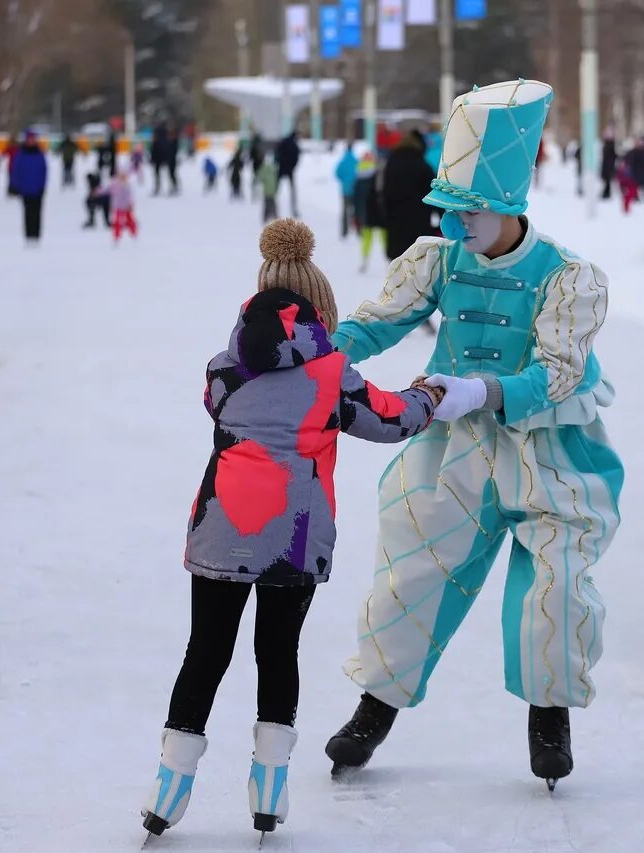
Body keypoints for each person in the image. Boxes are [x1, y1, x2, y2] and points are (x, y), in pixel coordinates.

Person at [323, 80, 623, 790]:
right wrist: (316, 354)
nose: (455, 228)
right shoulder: (439, 258)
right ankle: (375, 706)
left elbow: (558, 374)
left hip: (550, 447)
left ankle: (549, 713)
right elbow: (375, 322)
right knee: (413, 568)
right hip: (452, 447)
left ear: (508, 208)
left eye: (469, 215)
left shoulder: (567, 277)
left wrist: (480, 390)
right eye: (450, 214)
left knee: (556, 584)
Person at [138, 218, 440, 840]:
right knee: (277, 654)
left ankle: (168, 790)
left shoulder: (223, 370)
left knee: (206, 652)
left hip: (222, 529)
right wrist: (429, 394)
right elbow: (391, 420)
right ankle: (269, 791)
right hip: (294, 539)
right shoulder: (331, 375)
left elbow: (218, 406)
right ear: (321, 312)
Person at [381, 129, 438, 263]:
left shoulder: (390, 163)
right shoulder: (423, 166)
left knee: (397, 271)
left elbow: (383, 192)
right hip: (419, 226)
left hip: (394, 225)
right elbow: (433, 195)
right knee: (418, 269)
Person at [11, 132, 48, 242]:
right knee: (27, 212)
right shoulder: (21, 154)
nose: (31, 141)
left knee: (37, 212)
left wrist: (42, 186)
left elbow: (44, 171)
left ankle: (36, 234)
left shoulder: (39, 154)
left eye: (33, 139)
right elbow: (17, 170)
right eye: (29, 139)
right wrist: (15, 185)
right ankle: (28, 234)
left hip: (37, 188)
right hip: (25, 188)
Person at [353, 151, 384, 273]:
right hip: (378, 211)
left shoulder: (358, 175)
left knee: (366, 239)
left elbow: (356, 197)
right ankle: (388, 261)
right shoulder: (377, 174)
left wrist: (356, 214)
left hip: (364, 212)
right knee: (384, 237)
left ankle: (364, 261)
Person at [334, 146, 359, 239]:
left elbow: (337, 173)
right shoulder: (356, 161)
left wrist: (344, 180)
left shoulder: (342, 162)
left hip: (345, 190)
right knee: (356, 210)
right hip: (355, 190)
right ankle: (357, 230)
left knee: (344, 210)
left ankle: (344, 231)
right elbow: (360, 173)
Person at [275, 132, 301, 219]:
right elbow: (297, 157)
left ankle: (274, 210)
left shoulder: (283, 142)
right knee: (292, 191)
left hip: (281, 169)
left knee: (275, 191)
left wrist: (278, 163)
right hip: (289, 170)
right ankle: (294, 209)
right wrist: (292, 166)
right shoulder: (294, 145)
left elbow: (276, 153)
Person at [109, 170, 137, 244]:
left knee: (130, 221)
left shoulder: (128, 186)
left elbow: (131, 196)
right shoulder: (114, 185)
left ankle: (134, 234)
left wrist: (131, 204)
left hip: (126, 206)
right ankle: (116, 237)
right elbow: (107, 190)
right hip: (118, 206)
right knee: (117, 222)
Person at [627, 137, 644, 203]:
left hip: (642, 172)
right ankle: (635, 198)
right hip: (635, 172)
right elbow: (628, 160)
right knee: (635, 186)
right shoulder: (632, 152)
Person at [257, 157, 278, 224]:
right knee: (270, 204)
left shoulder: (266, 169)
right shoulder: (273, 169)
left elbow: (260, 178)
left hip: (268, 191)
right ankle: (271, 217)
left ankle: (269, 217)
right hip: (270, 191)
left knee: (269, 204)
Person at [600, 132, 617, 199]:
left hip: (608, 167)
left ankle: (606, 193)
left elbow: (613, 156)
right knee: (607, 182)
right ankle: (606, 193)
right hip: (608, 166)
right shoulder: (608, 145)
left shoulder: (608, 146)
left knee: (607, 181)